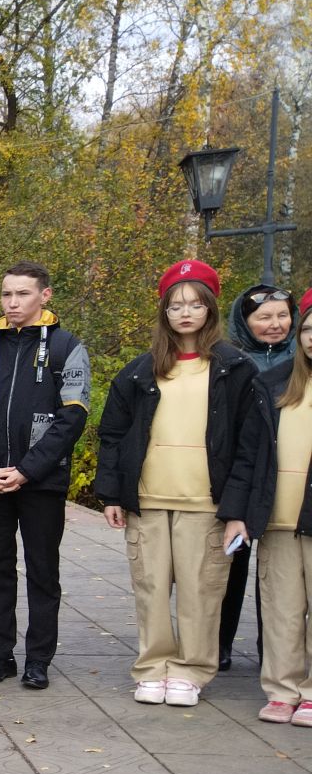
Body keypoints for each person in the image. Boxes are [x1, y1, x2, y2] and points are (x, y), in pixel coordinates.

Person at [96, 260, 271, 707]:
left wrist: (236, 509)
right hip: (149, 500)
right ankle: (153, 668)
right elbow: (113, 435)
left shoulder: (236, 369)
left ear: (210, 309)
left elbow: (250, 446)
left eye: (195, 304)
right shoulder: (140, 371)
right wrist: (112, 493)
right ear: (165, 313)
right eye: (176, 306)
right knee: (151, 588)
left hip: (205, 504)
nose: (185, 313)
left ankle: (192, 671)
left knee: (201, 591)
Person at [0, 261, 90, 691]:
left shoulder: (68, 347)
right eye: (7, 294)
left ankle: (38, 659)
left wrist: (28, 470)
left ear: (44, 296)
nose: (13, 302)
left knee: (42, 571)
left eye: (22, 294)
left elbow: (72, 419)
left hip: (41, 483)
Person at [219, 283, 299, 669]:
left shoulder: (302, 361)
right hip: (241, 477)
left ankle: (277, 654)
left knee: (281, 578)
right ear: (245, 321)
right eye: (264, 317)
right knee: (231, 566)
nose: (275, 324)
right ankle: (219, 644)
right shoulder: (231, 361)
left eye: (283, 315)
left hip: (286, 484)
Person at [256, 292, 312, 723]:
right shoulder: (275, 381)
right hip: (279, 517)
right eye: (308, 329)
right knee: (281, 608)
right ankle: (282, 689)